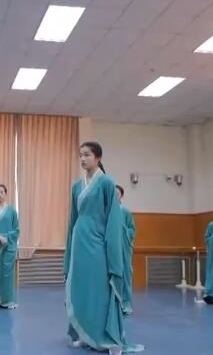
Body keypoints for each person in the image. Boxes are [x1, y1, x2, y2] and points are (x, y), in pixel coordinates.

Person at [64, 142, 143, 354]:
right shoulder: (76, 186)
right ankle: (84, 333)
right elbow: (73, 219)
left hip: (97, 242)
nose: (82, 159)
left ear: (98, 158)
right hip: (79, 241)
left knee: (100, 288)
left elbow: (113, 219)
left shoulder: (107, 183)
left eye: (87, 155)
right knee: (80, 286)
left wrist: (112, 250)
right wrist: (69, 248)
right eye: (80, 155)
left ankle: (107, 336)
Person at [115, 185, 136, 315]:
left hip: (123, 248)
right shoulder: (106, 212)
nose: (115, 196)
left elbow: (132, 230)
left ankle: (126, 303)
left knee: (125, 276)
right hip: (110, 249)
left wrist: (123, 231)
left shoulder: (125, 212)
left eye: (117, 194)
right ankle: (112, 305)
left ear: (121, 196)